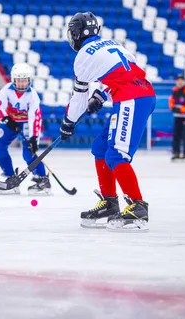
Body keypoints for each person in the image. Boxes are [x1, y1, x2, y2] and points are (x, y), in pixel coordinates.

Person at [59, 12, 156, 232]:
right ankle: (110, 203)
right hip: (137, 95)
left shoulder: (83, 56)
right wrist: (101, 95)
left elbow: (79, 98)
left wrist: (68, 122)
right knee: (100, 147)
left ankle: (138, 206)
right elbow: (125, 72)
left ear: (76, 34)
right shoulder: (113, 44)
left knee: (116, 155)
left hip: (132, 99)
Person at [0, 63, 50, 196]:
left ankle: (42, 179)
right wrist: (6, 120)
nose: (22, 84)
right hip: (10, 122)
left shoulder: (33, 96)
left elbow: (35, 118)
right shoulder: (7, 90)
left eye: (24, 80)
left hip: (27, 124)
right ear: (13, 80)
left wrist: (34, 138)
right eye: (19, 80)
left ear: (29, 80)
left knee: (28, 153)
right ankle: (11, 177)